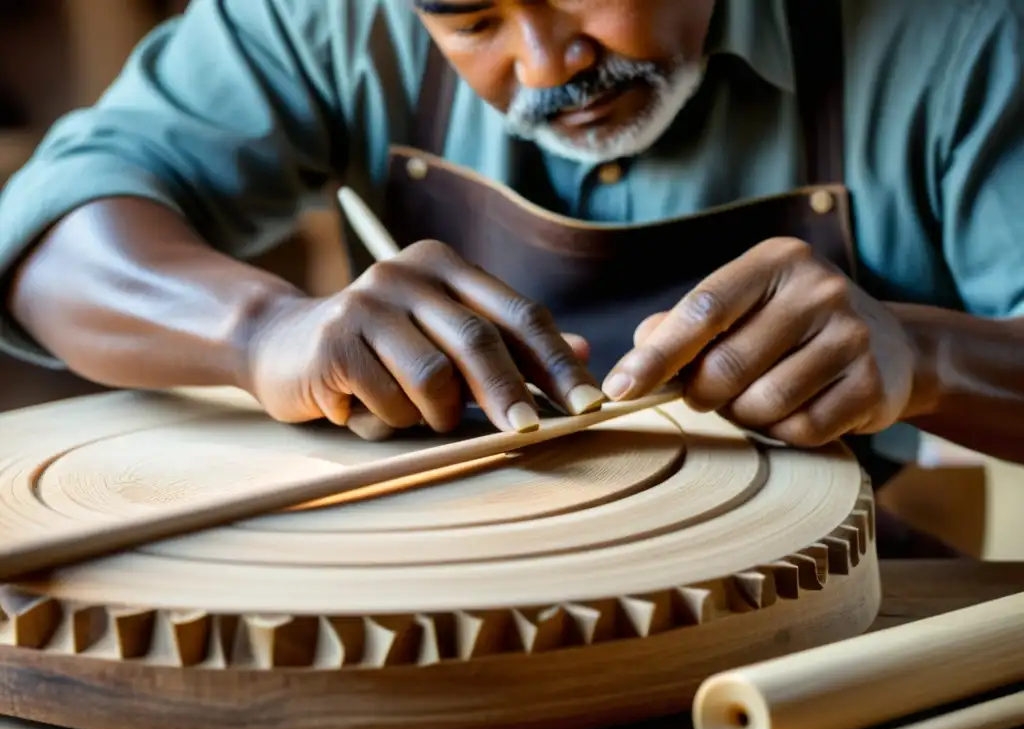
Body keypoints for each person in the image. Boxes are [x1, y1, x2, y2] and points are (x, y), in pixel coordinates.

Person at [0, 0, 1021, 500]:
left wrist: (927, 357)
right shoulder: (328, 14)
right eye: (471, 18)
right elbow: (50, 228)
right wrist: (265, 331)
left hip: (814, 616)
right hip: (433, 597)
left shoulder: (965, 35)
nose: (545, 64)